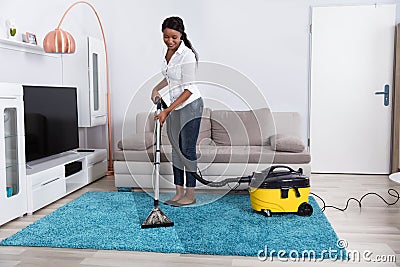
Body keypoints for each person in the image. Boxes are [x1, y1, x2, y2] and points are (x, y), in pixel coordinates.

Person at [151, 16, 203, 207]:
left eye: (174, 37)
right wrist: (156, 88)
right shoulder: (168, 54)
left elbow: (188, 89)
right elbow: (170, 78)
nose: (170, 41)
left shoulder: (187, 55)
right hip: (175, 105)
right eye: (166, 37)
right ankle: (178, 192)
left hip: (190, 104)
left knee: (187, 150)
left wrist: (166, 111)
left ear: (181, 35)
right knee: (175, 150)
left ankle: (190, 194)